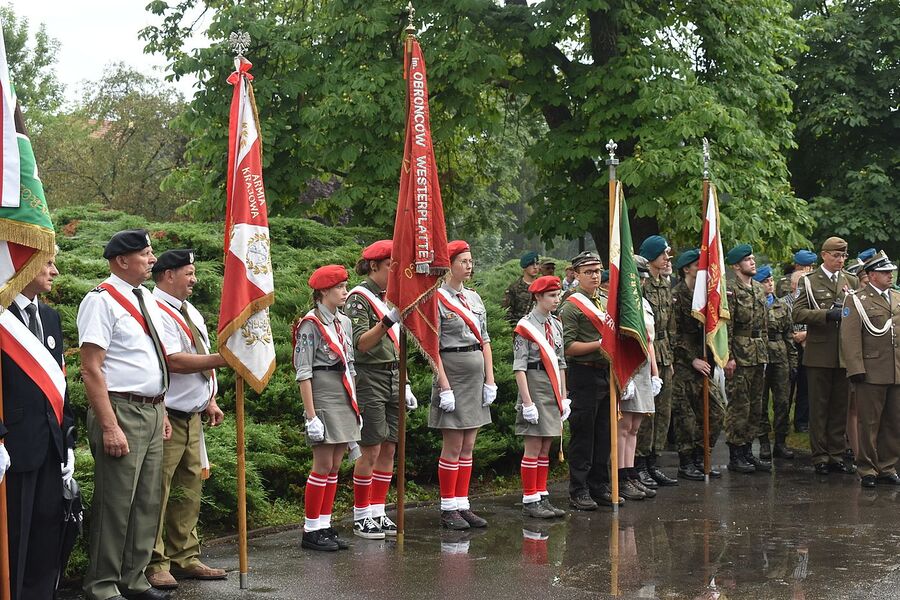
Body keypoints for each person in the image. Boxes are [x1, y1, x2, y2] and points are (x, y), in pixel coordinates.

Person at [78, 229, 177, 600]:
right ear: (122, 260)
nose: (153, 260)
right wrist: (109, 425)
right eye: (146, 254)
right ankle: (102, 584)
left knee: (147, 502)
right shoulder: (100, 301)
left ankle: (133, 579)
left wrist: (162, 409)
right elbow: (91, 368)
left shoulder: (145, 299)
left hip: (151, 411)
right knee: (117, 503)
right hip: (120, 410)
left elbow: (151, 360)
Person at [146, 250, 229, 589]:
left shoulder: (189, 310)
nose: (195, 279)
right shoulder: (156, 310)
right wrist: (224, 360)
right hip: (168, 415)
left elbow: (198, 357)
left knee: (189, 489)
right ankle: (155, 561)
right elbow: (174, 361)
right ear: (168, 274)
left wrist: (209, 398)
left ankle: (185, 555)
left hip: (193, 415)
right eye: (189, 273)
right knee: (159, 492)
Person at [1, 251, 75, 599]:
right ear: (23, 263)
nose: (54, 271)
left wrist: (69, 438)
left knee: (47, 533)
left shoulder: (49, 316)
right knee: (14, 536)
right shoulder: (1, 314)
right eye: (46, 263)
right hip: (13, 446)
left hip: (50, 444)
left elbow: (60, 383)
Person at [345, 240, 417, 539]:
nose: (395, 272)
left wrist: (407, 381)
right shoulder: (358, 299)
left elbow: (398, 347)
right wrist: (388, 320)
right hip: (369, 376)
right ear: (374, 266)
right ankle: (361, 515)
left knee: (390, 445)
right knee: (371, 446)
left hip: (393, 376)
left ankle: (378, 510)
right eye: (391, 266)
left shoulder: (391, 297)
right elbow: (361, 343)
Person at [431, 240, 497, 529]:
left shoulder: (475, 299)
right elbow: (432, 346)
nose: (469, 266)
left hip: (475, 375)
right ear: (449, 265)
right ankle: (448, 508)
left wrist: (490, 380)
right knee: (454, 443)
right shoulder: (435, 299)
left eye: (471, 261)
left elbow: (485, 340)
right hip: (453, 373)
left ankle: (463, 503)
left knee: (469, 443)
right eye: (463, 261)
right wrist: (444, 386)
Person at [295, 265, 360, 551]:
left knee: (335, 464)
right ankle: (311, 529)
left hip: (342, 392)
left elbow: (351, 366)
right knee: (322, 465)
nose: (345, 292)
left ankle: (325, 523)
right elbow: (304, 371)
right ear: (323, 292)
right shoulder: (310, 324)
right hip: (322, 393)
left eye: (345, 286)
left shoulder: (343, 322)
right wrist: (311, 416)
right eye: (339, 288)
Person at [792, 237, 858, 476]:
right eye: (836, 255)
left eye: (843, 256)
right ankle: (820, 456)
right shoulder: (810, 281)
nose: (840, 260)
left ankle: (836, 455)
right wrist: (826, 315)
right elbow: (797, 312)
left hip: (843, 353)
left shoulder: (850, 280)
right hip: (819, 352)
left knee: (840, 407)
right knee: (819, 408)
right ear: (824, 255)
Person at [559, 251, 619, 510]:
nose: (595, 276)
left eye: (597, 271)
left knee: (604, 433)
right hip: (583, 373)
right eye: (588, 272)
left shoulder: (605, 301)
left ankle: (599, 484)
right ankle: (579, 489)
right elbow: (567, 347)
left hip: (605, 373)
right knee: (584, 434)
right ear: (577, 275)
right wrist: (600, 344)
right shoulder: (571, 306)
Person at [840, 251, 900, 487]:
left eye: (891, 272)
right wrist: (856, 369)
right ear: (872, 275)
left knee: (894, 421)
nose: (889, 276)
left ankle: (887, 466)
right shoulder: (856, 300)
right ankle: (867, 468)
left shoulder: (896, 298)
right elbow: (850, 337)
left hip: (896, 370)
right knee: (869, 423)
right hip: (871, 370)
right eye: (885, 272)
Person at [512, 275, 570, 518]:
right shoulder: (525, 327)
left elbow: (561, 363)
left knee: (546, 444)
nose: (557, 300)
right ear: (538, 297)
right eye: (552, 296)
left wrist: (564, 397)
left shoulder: (556, 324)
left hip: (552, 386)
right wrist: (527, 402)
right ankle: (529, 499)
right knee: (534, 444)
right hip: (534, 385)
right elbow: (519, 367)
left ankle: (541, 494)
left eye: (558, 295)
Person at [670, 249, 725, 481]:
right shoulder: (677, 296)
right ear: (687, 269)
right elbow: (674, 334)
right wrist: (691, 358)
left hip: (705, 361)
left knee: (717, 411)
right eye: (698, 265)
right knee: (687, 417)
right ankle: (686, 461)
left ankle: (704, 456)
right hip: (684, 364)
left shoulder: (706, 295)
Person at [635, 235, 679, 488]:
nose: (666, 259)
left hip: (663, 352)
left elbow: (670, 324)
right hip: (647, 350)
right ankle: (639, 464)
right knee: (647, 413)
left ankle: (654, 461)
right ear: (651, 257)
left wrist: (669, 356)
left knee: (663, 411)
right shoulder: (642, 283)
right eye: (663, 255)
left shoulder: (664, 282)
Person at [616, 256, 661, 501]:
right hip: (629, 370)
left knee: (635, 427)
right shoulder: (622, 305)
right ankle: (621, 476)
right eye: (637, 276)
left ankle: (631, 474)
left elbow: (650, 341)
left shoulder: (643, 303)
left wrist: (655, 372)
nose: (642, 281)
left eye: (643, 277)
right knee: (623, 427)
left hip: (644, 369)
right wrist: (627, 376)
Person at [723, 244, 771, 474]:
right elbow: (727, 326)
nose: (752, 262)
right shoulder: (730, 289)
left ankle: (748, 452)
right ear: (736, 265)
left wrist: (766, 352)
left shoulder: (760, 290)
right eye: (747, 260)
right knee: (739, 406)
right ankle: (735, 453)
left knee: (756, 406)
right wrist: (729, 357)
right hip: (740, 353)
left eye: (753, 259)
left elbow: (764, 325)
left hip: (758, 352)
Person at [753, 265, 798, 460]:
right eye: (765, 281)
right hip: (760, 354)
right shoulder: (754, 304)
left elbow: (789, 335)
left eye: (771, 280)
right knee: (760, 401)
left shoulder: (782, 306)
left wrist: (793, 361)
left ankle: (780, 441)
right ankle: (763, 442)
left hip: (780, 356)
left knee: (782, 401)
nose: (770, 284)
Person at [502, 251, 540, 325]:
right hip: (520, 328)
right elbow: (507, 312)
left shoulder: (542, 287)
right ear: (525, 267)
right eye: (531, 264)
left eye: (537, 264)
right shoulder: (514, 288)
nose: (535, 267)